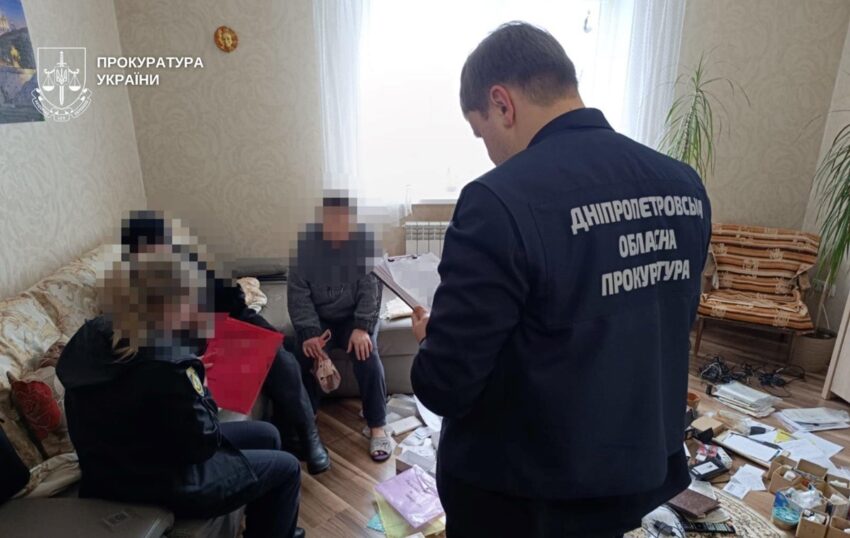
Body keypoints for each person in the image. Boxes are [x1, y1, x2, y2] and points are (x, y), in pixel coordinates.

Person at [410, 22, 712, 538]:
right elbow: (658, 321)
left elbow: (447, 384)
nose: (489, 152)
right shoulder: (683, 185)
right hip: (633, 470)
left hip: (526, 492)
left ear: (501, 103)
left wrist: (431, 340)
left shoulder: (497, 200)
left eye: (482, 134)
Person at [56, 248, 305, 538]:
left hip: (110, 469)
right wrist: (201, 384)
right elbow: (202, 444)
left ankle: (271, 526)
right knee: (288, 468)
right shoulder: (168, 366)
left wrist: (188, 370)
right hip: (162, 481)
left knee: (268, 434)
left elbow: (143, 396)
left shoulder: (92, 336)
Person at [120, 211, 331, 475]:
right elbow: (159, 343)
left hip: (223, 329)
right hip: (197, 348)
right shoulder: (134, 292)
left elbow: (233, 302)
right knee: (279, 356)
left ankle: (301, 436)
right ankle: (304, 437)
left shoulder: (185, 263)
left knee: (285, 350)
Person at [288, 195, 391, 462]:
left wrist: (362, 327)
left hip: (354, 319)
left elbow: (372, 292)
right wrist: (309, 333)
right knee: (303, 355)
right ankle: (307, 419)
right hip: (320, 319)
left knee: (367, 354)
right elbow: (298, 297)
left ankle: (377, 424)